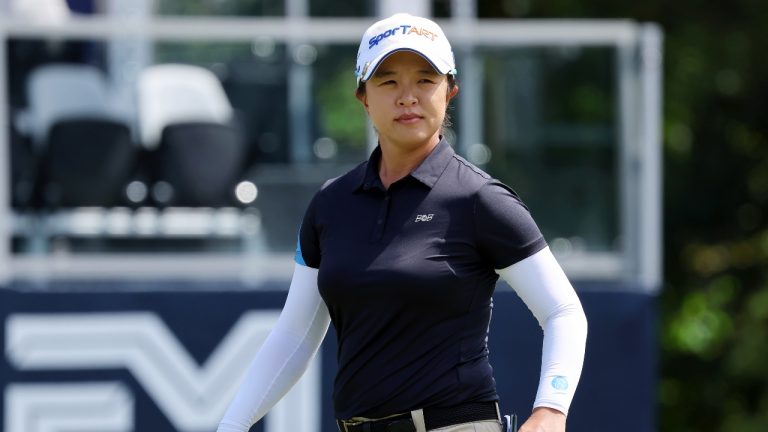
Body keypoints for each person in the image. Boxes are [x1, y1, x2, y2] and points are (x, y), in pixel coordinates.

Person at [218, 13, 587, 432]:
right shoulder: (330, 204)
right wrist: (232, 425)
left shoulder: (480, 198)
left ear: (451, 91)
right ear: (363, 96)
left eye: (425, 80)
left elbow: (563, 311)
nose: (407, 96)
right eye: (388, 81)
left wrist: (551, 409)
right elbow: (295, 335)